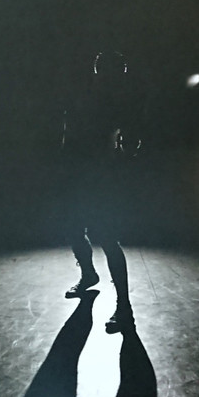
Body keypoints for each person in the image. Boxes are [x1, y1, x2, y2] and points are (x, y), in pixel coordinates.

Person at [58, 51, 144, 334]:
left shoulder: (122, 102)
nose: (106, 76)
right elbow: (70, 134)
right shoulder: (86, 97)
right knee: (74, 230)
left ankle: (124, 307)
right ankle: (89, 275)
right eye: (103, 71)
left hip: (103, 177)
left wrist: (118, 163)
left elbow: (131, 142)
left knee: (107, 239)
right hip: (81, 174)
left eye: (111, 72)